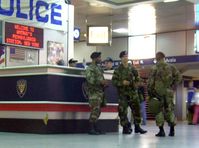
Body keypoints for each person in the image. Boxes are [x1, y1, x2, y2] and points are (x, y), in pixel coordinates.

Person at [112, 51, 147, 135]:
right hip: (123, 94)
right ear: (121, 58)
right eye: (124, 56)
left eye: (127, 56)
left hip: (133, 93)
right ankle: (125, 127)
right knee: (122, 111)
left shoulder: (132, 68)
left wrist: (137, 82)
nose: (126, 58)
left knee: (136, 110)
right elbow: (114, 81)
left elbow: (137, 78)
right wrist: (122, 82)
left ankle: (137, 127)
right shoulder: (117, 69)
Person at [147, 51, 181, 137]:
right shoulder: (171, 67)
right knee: (169, 110)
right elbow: (179, 77)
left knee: (158, 111)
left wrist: (150, 93)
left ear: (156, 59)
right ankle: (172, 130)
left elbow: (150, 83)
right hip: (168, 92)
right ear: (164, 58)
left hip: (157, 93)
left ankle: (161, 131)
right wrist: (173, 86)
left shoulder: (154, 68)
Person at [85, 52, 109, 135]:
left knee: (98, 111)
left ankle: (95, 127)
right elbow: (90, 79)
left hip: (100, 92)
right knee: (95, 110)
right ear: (95, 58)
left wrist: (104, 83)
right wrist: (100, 82)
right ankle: (91, 128)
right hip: (93, 93)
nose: (101, 59)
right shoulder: (90, 68)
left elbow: (100, 79)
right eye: (99, 57)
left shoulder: (99, 68)